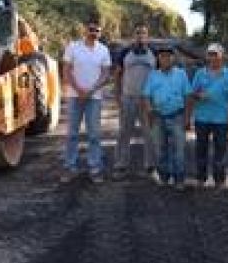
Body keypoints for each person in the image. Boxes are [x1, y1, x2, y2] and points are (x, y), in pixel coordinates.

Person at [61, 19, 112, 183]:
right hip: (75, 96)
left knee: (94, 135)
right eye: (91, 29)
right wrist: (78, 89)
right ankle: (70, 167)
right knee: (72, 134)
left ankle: (95, 168)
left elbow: (105, 74)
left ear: (100, 33)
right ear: (85, 30)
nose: (94, 33)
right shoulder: (73, 47)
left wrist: (91, 90)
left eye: (97, 30)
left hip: (94, 98)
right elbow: (66, 71)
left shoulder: (104, 50)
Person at [142, 44, 192, 191]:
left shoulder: (181, 74)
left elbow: (188, 96)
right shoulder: (153, 75)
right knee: (160, 149)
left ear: (173, 58)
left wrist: (188, 118)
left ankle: (179, 179)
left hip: (177, 115)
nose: (165, 58)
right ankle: (164, 177)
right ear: (158, 58)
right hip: (158, 117)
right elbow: (146, 96)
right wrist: (149, 109)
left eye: (168, 55)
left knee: (179, 150)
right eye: (162, 56)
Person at [113, 24, 157, 180]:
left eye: (143, 33)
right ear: (134, 35)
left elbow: (159, 76)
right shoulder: (125, 52)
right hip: (128, 98)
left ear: (147, 35)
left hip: (147, 100)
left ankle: (150, 167)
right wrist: (117, 95)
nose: (140, 36)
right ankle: (120, 165)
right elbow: (117, 75)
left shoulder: (154, 53)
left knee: (150, 134)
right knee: (124, 132)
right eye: (138, 33)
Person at [191, 43, 228, 189]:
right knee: (201, 149)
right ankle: (201, 178)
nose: (213, 57)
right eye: (210, 54)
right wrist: (199, 95)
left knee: (220, 150)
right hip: (202, 118)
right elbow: (192, 93)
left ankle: (219, 180)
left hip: (221, 118)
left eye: (215, 54)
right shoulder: (200, 73)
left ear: (221, 56)